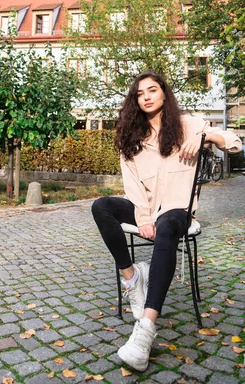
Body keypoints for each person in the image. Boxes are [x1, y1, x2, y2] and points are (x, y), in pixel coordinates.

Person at [92, 72, 241, 372]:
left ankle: (145, 330)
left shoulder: (188, 125)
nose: (146, 96)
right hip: (144, 208)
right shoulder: (131, 138)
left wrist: (206, 137)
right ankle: (133, 278)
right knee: (101, 206)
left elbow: (235, 142)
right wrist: (143, 217)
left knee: (169, 224)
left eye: (153, 90)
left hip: (177, 209)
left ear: (164, 94)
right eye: (140, 93)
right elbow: (132, 185)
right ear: (135, 101)